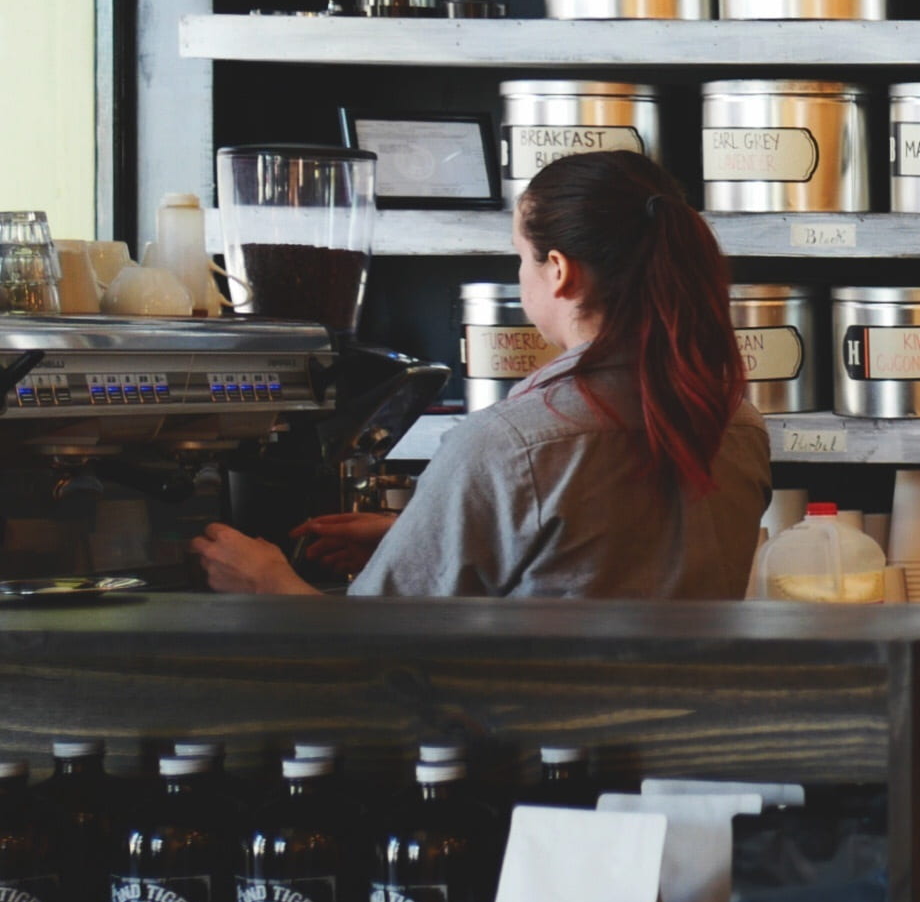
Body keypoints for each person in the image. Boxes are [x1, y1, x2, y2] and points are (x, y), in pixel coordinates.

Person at [193, 150, 771, 600]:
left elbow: (374, 648)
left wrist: (268, 583)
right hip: (691, 740)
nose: (520, 274)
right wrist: (416, 536)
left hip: (543, 749)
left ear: (560, 271)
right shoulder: (736, 422)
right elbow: (614, 563)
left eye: (521, 257)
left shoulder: (508, 445)